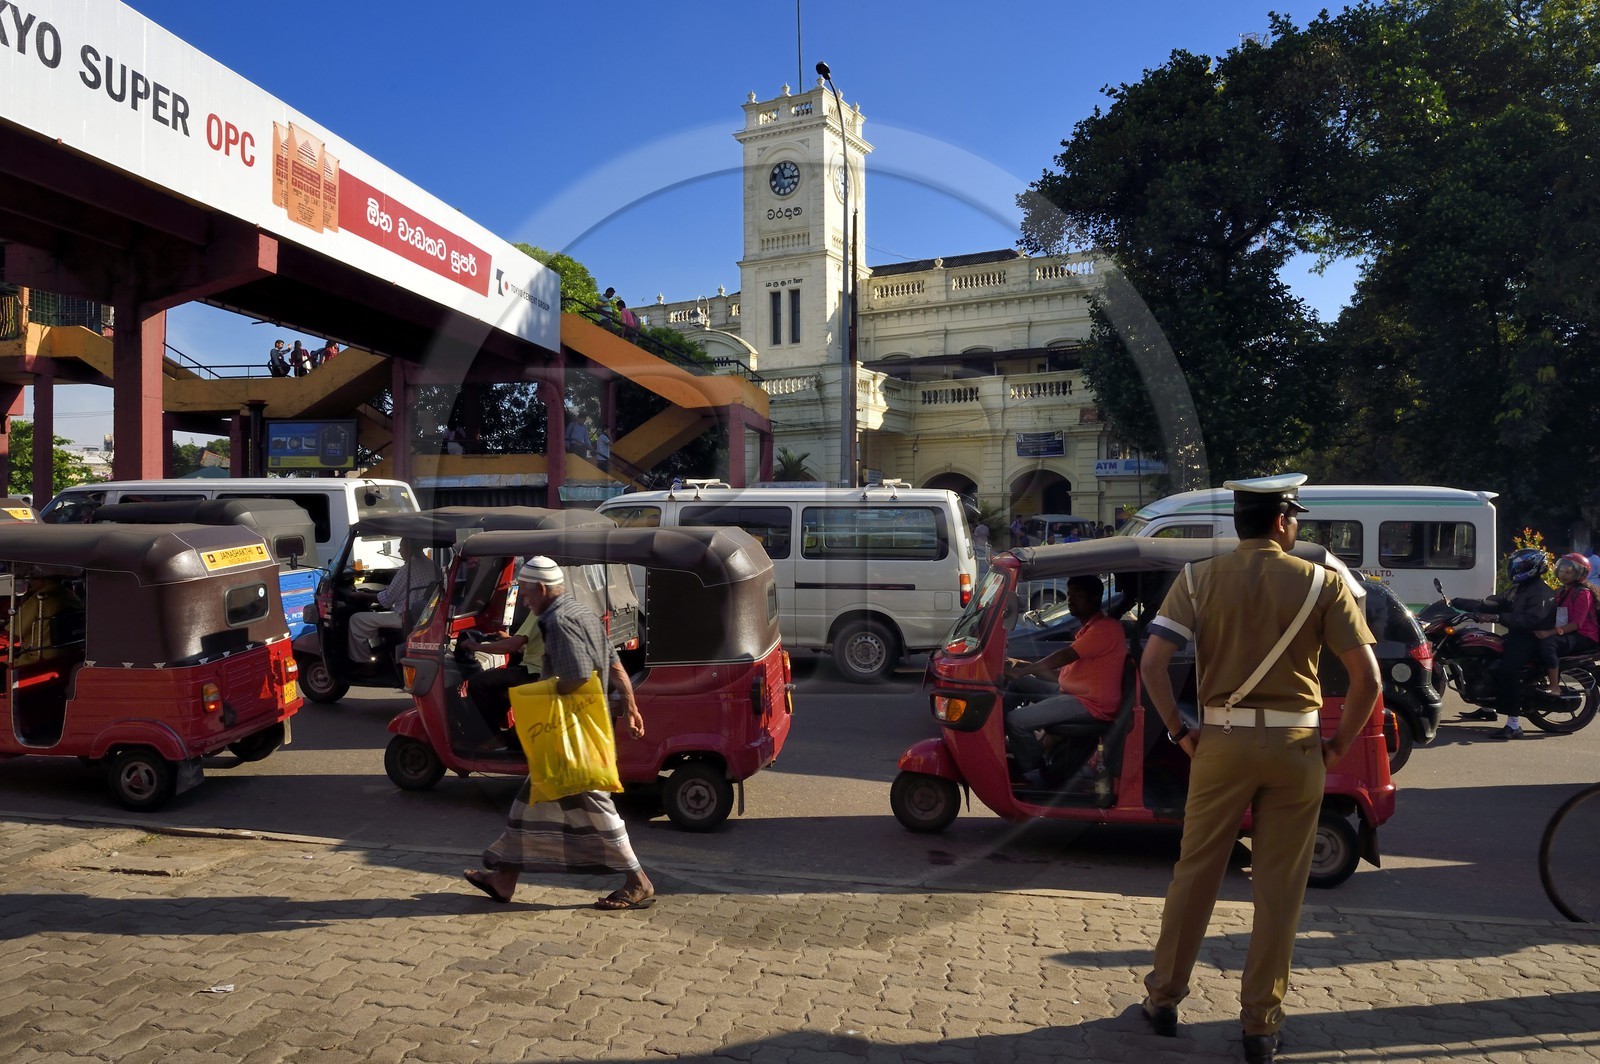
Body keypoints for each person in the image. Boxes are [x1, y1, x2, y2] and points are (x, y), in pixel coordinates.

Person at [1137, 474, 1379, 1064]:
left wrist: (1179, 730)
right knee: (1278, 890)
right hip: (1297, 748)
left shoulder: (1196, 579)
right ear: (1280, 522)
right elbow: (1368, 680)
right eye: (1295, 518)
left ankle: (1165, 998)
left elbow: (1152, 664)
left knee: (1195, 874)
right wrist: (1336, 748)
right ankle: (1260, 1026)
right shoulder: (1323, 584)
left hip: (1219, 744)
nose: (1297, 528)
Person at [464, 556, 654, 911]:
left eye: (527, 592)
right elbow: (614, 663)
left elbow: (578, 678)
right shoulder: (581, 611)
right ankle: (503, 878)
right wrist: (631, 706)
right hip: (581, 729)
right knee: (527, 806)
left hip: (571, 735)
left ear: (542, 588)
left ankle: (638, 880)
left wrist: (539, 698)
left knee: (597, 808)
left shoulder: (558, 621)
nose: (524, 600)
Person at [1002, 574, 1126, 787]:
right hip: (1072, 693)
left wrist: (1024, 670)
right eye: (1069, 594)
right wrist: (1020, 665)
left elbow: (1064, 656)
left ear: (1095, 600)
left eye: (1077, 595)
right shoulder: (1088, 629)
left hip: (1089, 703)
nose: (1070, 600)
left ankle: (1034, 774)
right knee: (1018, 684)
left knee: (1017, 721)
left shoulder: (1105, 629)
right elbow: (1061, 675)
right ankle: (1006, 741)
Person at [458, 560, 550, 747]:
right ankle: (501, 733)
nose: (525, 600)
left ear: (540, 587)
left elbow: (513, 645)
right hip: (542, 668)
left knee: (477, 683)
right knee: (499, 682)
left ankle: (490, 738)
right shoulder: (557, 606)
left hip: (536, 672)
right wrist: (504, 637)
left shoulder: (542, 610)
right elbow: (528, 644)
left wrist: (475, 646)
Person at [1466, 547, 1555, 738]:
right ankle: (1487, 707)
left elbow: (1532, 620)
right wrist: (1454, 602)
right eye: (1517, 565)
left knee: (1508, 670)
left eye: (1523, 565)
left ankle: (1514, 725)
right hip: (1517, 635)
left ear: (1535, 567)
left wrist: (1497, 618)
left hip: (1531, 638)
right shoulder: (1520, 588)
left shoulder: (1540, 591)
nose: (1517, 568)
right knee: (1482, 657)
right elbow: (1494, 602)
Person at [345, 539, 441, 662]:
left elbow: (387, 600)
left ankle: (364, 663)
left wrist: (361, 596)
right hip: (424, 615)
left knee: (356, 620)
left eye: (401, 547)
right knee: (372, 620)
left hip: (405, 617)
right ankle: (380, 655)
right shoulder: (432, 565)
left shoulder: (407, 569)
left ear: (410, 547)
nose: (399, 550)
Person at [1535, 553, 1599, 692]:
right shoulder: (1560, 591)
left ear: (1579, 573)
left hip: (1584, 635)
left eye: (1569, 572)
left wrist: (1549, 633)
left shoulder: (1583, 593)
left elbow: (1576, 624)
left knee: (1549, 644)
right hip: (1567, 632)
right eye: (1562, 570)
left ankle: (1554, 686)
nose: (1564, 575)